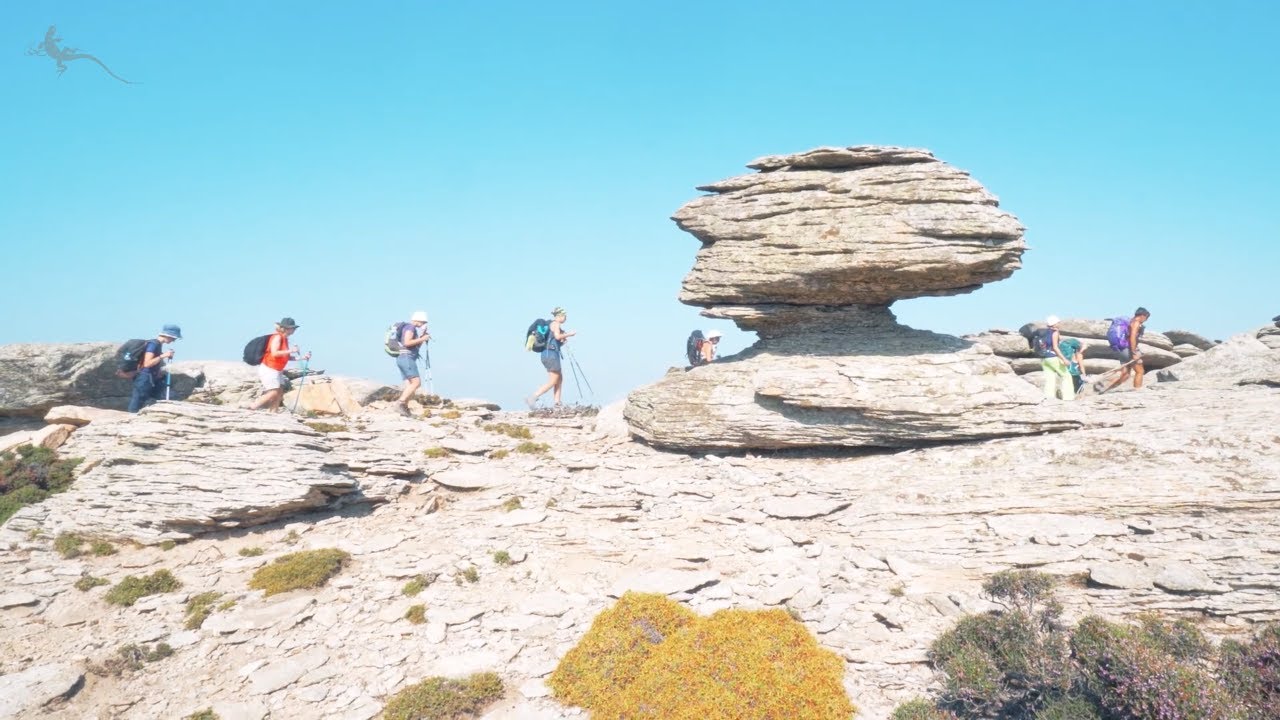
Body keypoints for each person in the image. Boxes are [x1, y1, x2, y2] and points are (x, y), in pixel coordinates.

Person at [250, 317, 310, 412]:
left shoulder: (285, 339)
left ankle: (273, 412)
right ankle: (252, 407)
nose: (294, 330)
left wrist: (302, 358)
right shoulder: (277, 337)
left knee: (280, 391)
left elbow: (286, 357)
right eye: (293, 328)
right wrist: (291, 350)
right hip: (269, 368)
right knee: (273, 392)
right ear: (286, 328)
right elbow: (274, 353)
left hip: (277, 370)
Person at [527, 307, 576, 409]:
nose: (566, 318)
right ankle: (532, 397)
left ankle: (557, 402)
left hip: (548, 354)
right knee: (553, 380)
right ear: (560, 316)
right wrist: (569, 334)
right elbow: (557, 336)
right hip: (551, 354)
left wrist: (562, 339)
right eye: (565, 316)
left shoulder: (551, 325)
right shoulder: (556, 324)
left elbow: (555, 339)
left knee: (559, 378)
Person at [128, 324, 182, 413]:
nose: (173, 341)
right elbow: (147, 363)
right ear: (169, 335)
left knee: (145, 400)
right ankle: (131, 419)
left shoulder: (157, 345)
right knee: (138, 401)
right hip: (144, 377)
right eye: (174, 338)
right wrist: (164, 355)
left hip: (150, 377)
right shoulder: (153, 344)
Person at [394, 311, 432, 415]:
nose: (423, 324)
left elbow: (415, 346)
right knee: (416, 383)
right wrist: (423, 338)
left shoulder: (409, 328)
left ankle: (404, 408)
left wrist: (422, 337)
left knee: (410, 385)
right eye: (423, 322)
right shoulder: (410, 327)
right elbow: (407, 343)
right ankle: (400, 403)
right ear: (418, 320)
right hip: (407, 358)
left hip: (402, 358)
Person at [1105, 307, 1151, 393]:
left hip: (1121, 350)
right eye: (1146, 317)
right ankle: (1137, 392)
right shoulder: (1136, 323)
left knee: (1125, 375)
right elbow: (1132, 338)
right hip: (1128, 350)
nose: (1146, 320)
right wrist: (1134, 352)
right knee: (1140, 371)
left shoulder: (1130, 321)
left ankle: (1106, 391)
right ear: (1142, 316)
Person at [1035, 315, 1075, 401]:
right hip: (1052, 357)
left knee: (1050, 378)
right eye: (1058, 322)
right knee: (1066, 376)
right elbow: (1056, 347)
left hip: (1044, 358)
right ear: (1054, 323)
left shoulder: (1044, 332)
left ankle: (1048, 398)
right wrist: (1064, 359)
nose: (1059, 323)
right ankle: (1068, 398)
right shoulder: (1054, 333)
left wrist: (1058, 333)